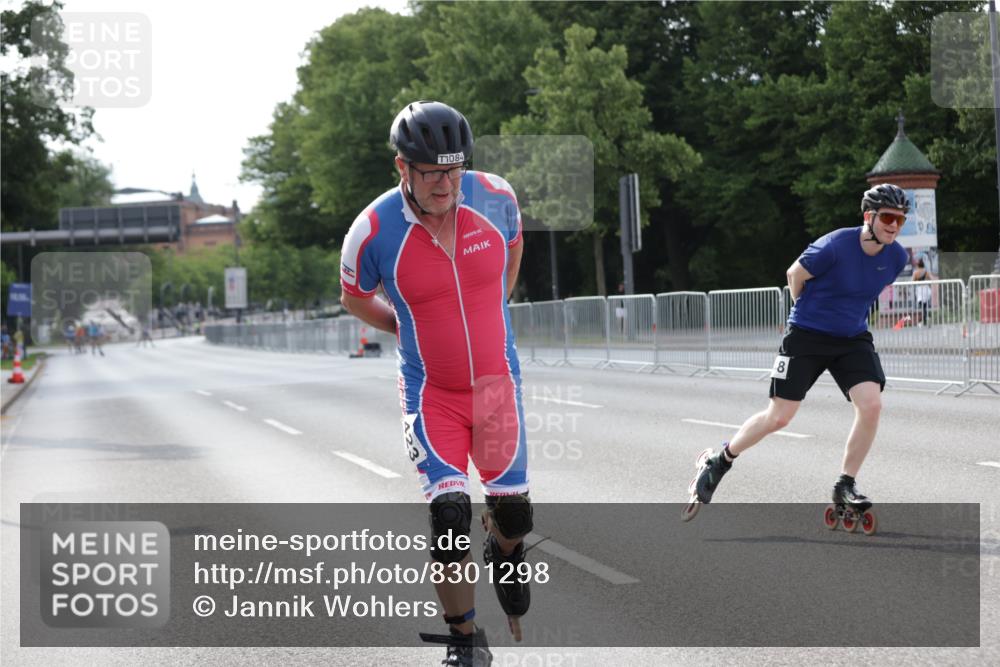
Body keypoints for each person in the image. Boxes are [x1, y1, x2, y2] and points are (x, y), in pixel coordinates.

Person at [340, 101, 530, 665]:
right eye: (432, 173)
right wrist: (401, 324)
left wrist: (489, 306)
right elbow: (352, 296)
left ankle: (505, 546)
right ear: (403, 168)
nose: (447, 185)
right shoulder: (372, 230)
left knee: (514, 514)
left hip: (497, 385)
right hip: (432, 395)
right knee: (449, 517)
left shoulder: (496, 197)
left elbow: (511, 255)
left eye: (455, 171)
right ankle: (465, 640)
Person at [683, 183, 910, 529]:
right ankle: (720, 459)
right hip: (806, 335)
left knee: (871, 405)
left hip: (851, 338)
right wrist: (809, 313)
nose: (895, 225)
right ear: (869, 217)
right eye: (889, 217)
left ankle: (845, 484)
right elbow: (795, 275)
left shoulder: (896, 257)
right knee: (780, 416)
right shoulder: (835, 245)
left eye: (901, 220)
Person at [912, 257, 935, 327]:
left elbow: (913, 281)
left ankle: (926, 318)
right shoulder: (926, 272)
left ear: (918, 265)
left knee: (922, 305)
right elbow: (931, 279)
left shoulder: (916, 273)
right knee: (925, 306)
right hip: (926, 289)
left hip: (920, 289)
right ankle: (925, 319)